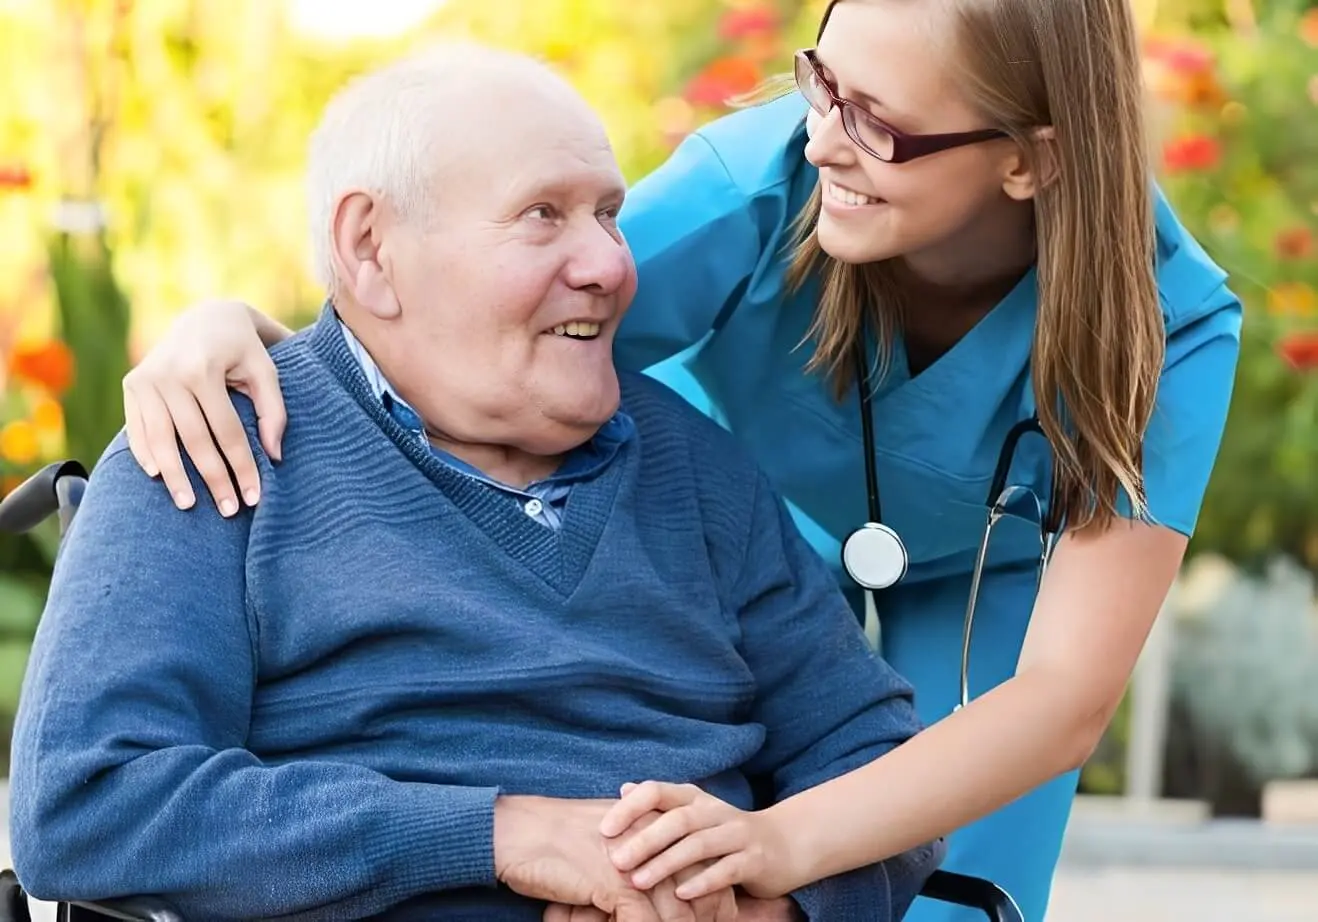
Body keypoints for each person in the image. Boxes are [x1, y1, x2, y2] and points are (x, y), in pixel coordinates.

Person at [115, 0, 1242, 918]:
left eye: (878, 123)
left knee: (954, 894)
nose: (819, 138)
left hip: (987, 581)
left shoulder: (1169, 326)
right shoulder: (756, 186)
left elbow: (1058, 699)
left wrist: (773, 857)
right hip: (750, 536)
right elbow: (451, 326)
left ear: (1026, 162)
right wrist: (236, 325)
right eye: (819, 78)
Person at [9, 43, 944, 922]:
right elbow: (91, 800)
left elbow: (882, 764)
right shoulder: (209, 451)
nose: (612, 265)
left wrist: (771, 906)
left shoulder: (694, 468)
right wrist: (504, 834)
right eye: (544, 214)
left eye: (608, 214)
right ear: (371, 247)